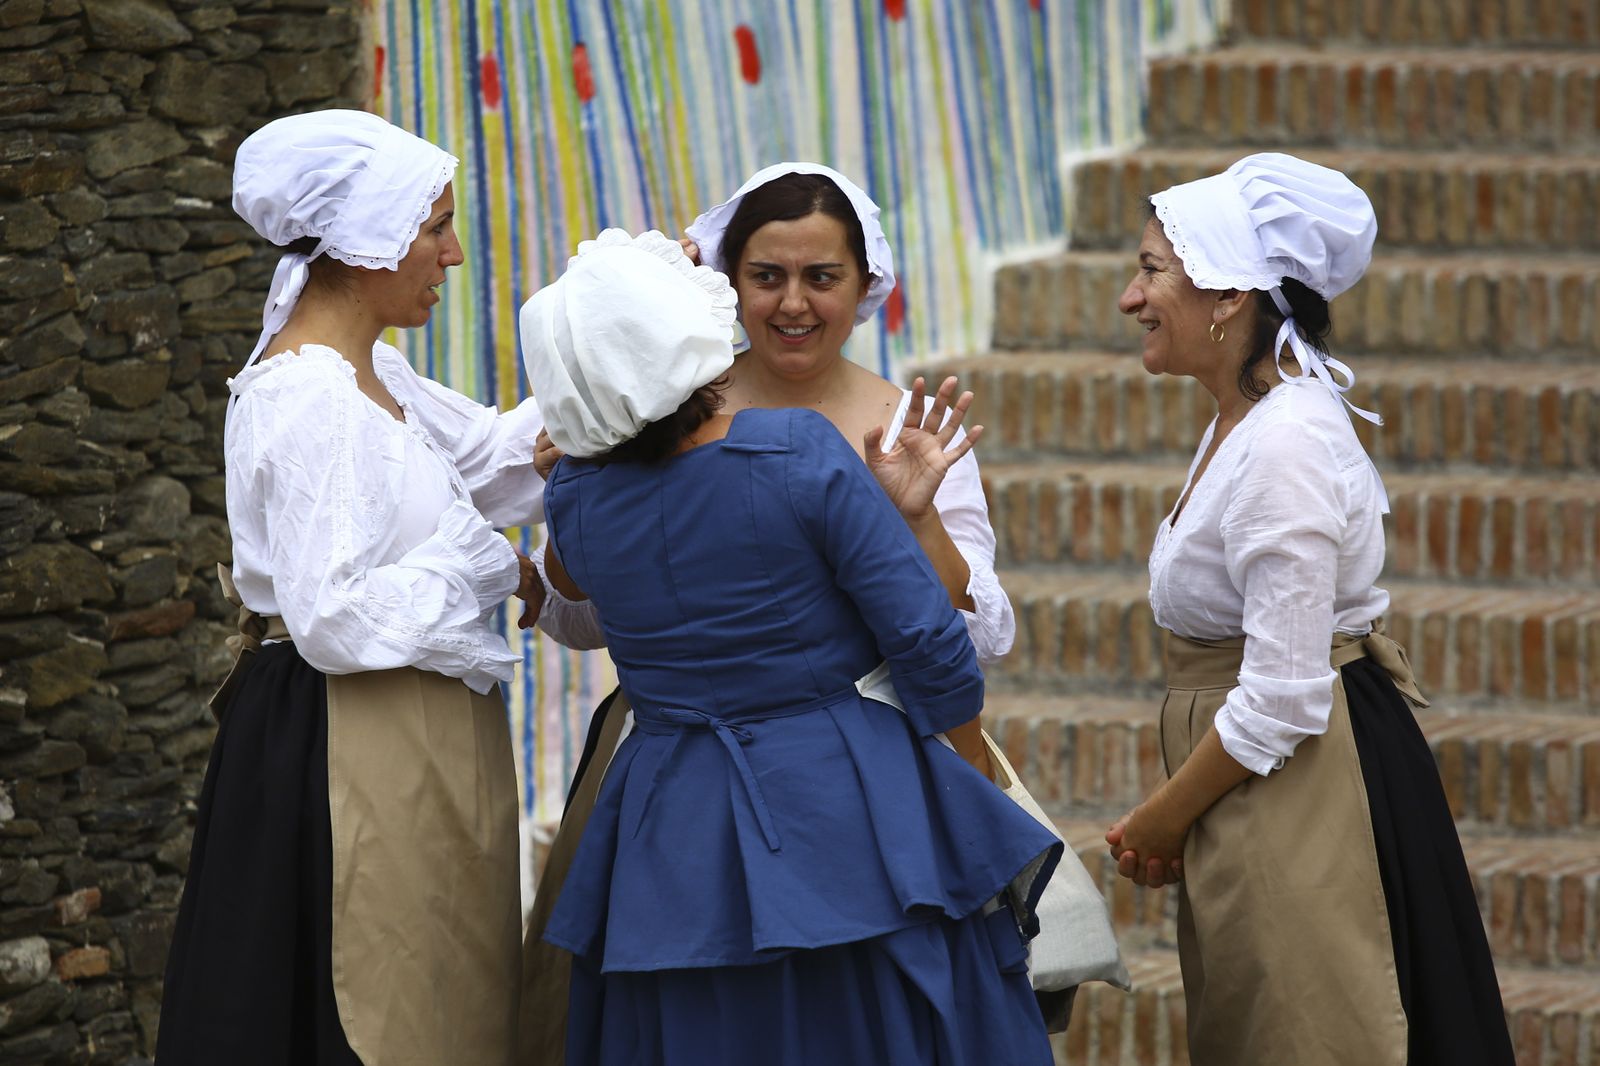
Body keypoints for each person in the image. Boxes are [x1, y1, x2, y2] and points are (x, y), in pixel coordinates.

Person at [520, 227, 1060, 1065]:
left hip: (667, 817)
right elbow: (928, 642)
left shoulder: (577, 501)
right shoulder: (796, 452)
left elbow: (577, 582)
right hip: (844, 795)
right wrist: (970, 791)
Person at [1105, 152, 1513, 1065]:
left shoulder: (1282, 442)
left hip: (1301, 786)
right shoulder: (1244, 418)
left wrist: (1167, 816)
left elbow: (1285, 695)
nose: (1131, 297)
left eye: (1151, 270)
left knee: (1315, 1033)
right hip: (1268, 787)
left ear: (1228, 298)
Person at [157, 109, 547, 1066]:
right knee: (374, 1005)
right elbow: (332, 615)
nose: (452, 254)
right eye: (433, 227)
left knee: (445, 993)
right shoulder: (308, 399)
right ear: (365, 236)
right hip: (342, 737)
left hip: (406, 725)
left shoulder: (380, 378)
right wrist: (486, 561)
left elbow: (497, 461)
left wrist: (636, 355)